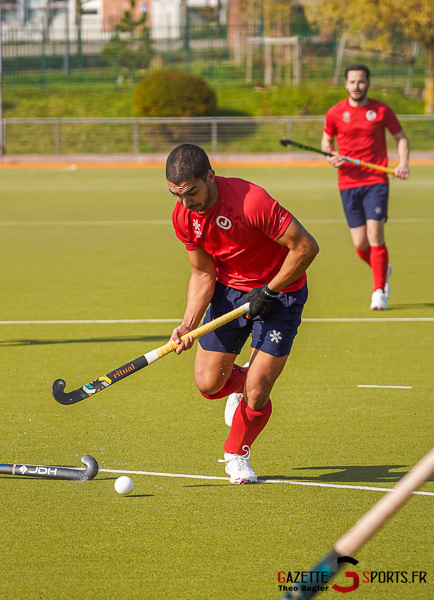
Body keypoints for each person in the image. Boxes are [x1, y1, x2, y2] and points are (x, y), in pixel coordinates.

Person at [165, 144, 319, 484]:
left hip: (283, 292)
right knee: (208, 384)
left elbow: (306, 247)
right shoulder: (184, 218)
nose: (186, 203)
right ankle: (243, 381)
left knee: (259, 389)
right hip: (231, 293)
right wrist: (188, 324)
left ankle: (236, 453)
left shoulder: (251, 201)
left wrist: (270, 290)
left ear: (210, 176)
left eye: (192, 192)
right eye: (177, 195)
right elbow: (203, 273)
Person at [322, 64, 410, 310]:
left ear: (368, 83)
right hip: (348, 183)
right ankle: (383, 269)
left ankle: (379, 291)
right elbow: (326, 142)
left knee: (375, 236)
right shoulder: (335, 112)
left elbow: (401, 137)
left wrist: (403, 162)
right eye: (352, 82)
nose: (356, 86)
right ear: (346, 84)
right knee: (360, 244)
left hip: (376, 181)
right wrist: (331, 156)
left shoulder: (381, 110)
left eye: (361, 81)